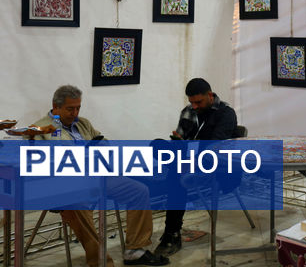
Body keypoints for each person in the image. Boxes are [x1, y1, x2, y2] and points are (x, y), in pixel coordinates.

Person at [32, 85, 169, 266]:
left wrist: (101, 147)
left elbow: (103, 140)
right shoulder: (40, 129)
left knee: (139, 191)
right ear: (55, 107)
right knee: (79, 207)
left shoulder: (83, 123)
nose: (75, 113)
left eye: (78, 108)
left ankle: (135, 250)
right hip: (66, 185)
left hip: (97, 176)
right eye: (70, 109)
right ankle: (101, 262)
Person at [153, 78, 237, 256]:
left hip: (213, 165)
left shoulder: (226, 113)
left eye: (198, 102)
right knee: (156, 144)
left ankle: (172, 233)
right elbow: (181, 142)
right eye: (192, 102)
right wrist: (178, 142)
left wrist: (190, 161)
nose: (195, 106)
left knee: (175, 177)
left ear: (210, 95)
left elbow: (215, 149)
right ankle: (178, 169)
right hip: (187, 160)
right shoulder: (189, 111)